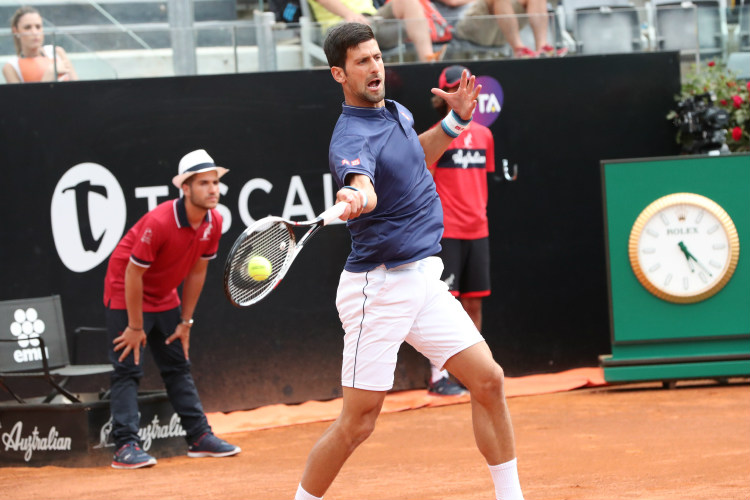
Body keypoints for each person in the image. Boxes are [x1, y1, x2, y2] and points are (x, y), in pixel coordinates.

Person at [293, 23, 525, 500]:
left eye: (377, 57)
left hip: (423, 278)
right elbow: (361, 182)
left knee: (488, 381)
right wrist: (357, 196)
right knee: (358, 423)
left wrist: (455, 123)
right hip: (378, 289)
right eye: (362, 61)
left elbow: (415, 157)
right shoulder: (350, 137)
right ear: (339, 74)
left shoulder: (395, 112)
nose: (375, 67)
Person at [103, 149, 240, 469]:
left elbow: (197, 272)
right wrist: (135, 326)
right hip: (126, 292)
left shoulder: (214, 221)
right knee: (127, 368)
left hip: (165, 297)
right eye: (204, 183)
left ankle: (199, 437)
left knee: (177, 366)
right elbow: (132, 274)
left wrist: (185, 322)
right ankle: (125, 446)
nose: (213, 189)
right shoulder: (160, 221)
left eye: (215, 182)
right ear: (185, 188)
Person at [425, 64, 496, 396]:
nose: (461, 93)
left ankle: (472, 375)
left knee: (474, 305)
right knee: (443, 307)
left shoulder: (485, 136)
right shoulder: (435, 137)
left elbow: (480, 182)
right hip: (447, 233)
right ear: (443, 96)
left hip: (478, 231)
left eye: (466, 86)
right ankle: (438, 377)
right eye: (454, 88)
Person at [306, 0, 448, 62]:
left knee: (409, 2)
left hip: (373, 19)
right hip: (340, 26)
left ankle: (428, 59)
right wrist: (349, 14)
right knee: (354, 24)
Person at [454, 0, 568, 58]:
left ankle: (542, 48)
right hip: (469, 23)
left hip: (500, 26)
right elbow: (452, 1)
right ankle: (519, 50)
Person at [3, 6, 78, 83]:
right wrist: (49, 74)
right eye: (27, 27)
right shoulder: (11, 67)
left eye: (38, 27)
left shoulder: (57, 52)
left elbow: (77, 86)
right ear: (16, 31)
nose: (34, 32)